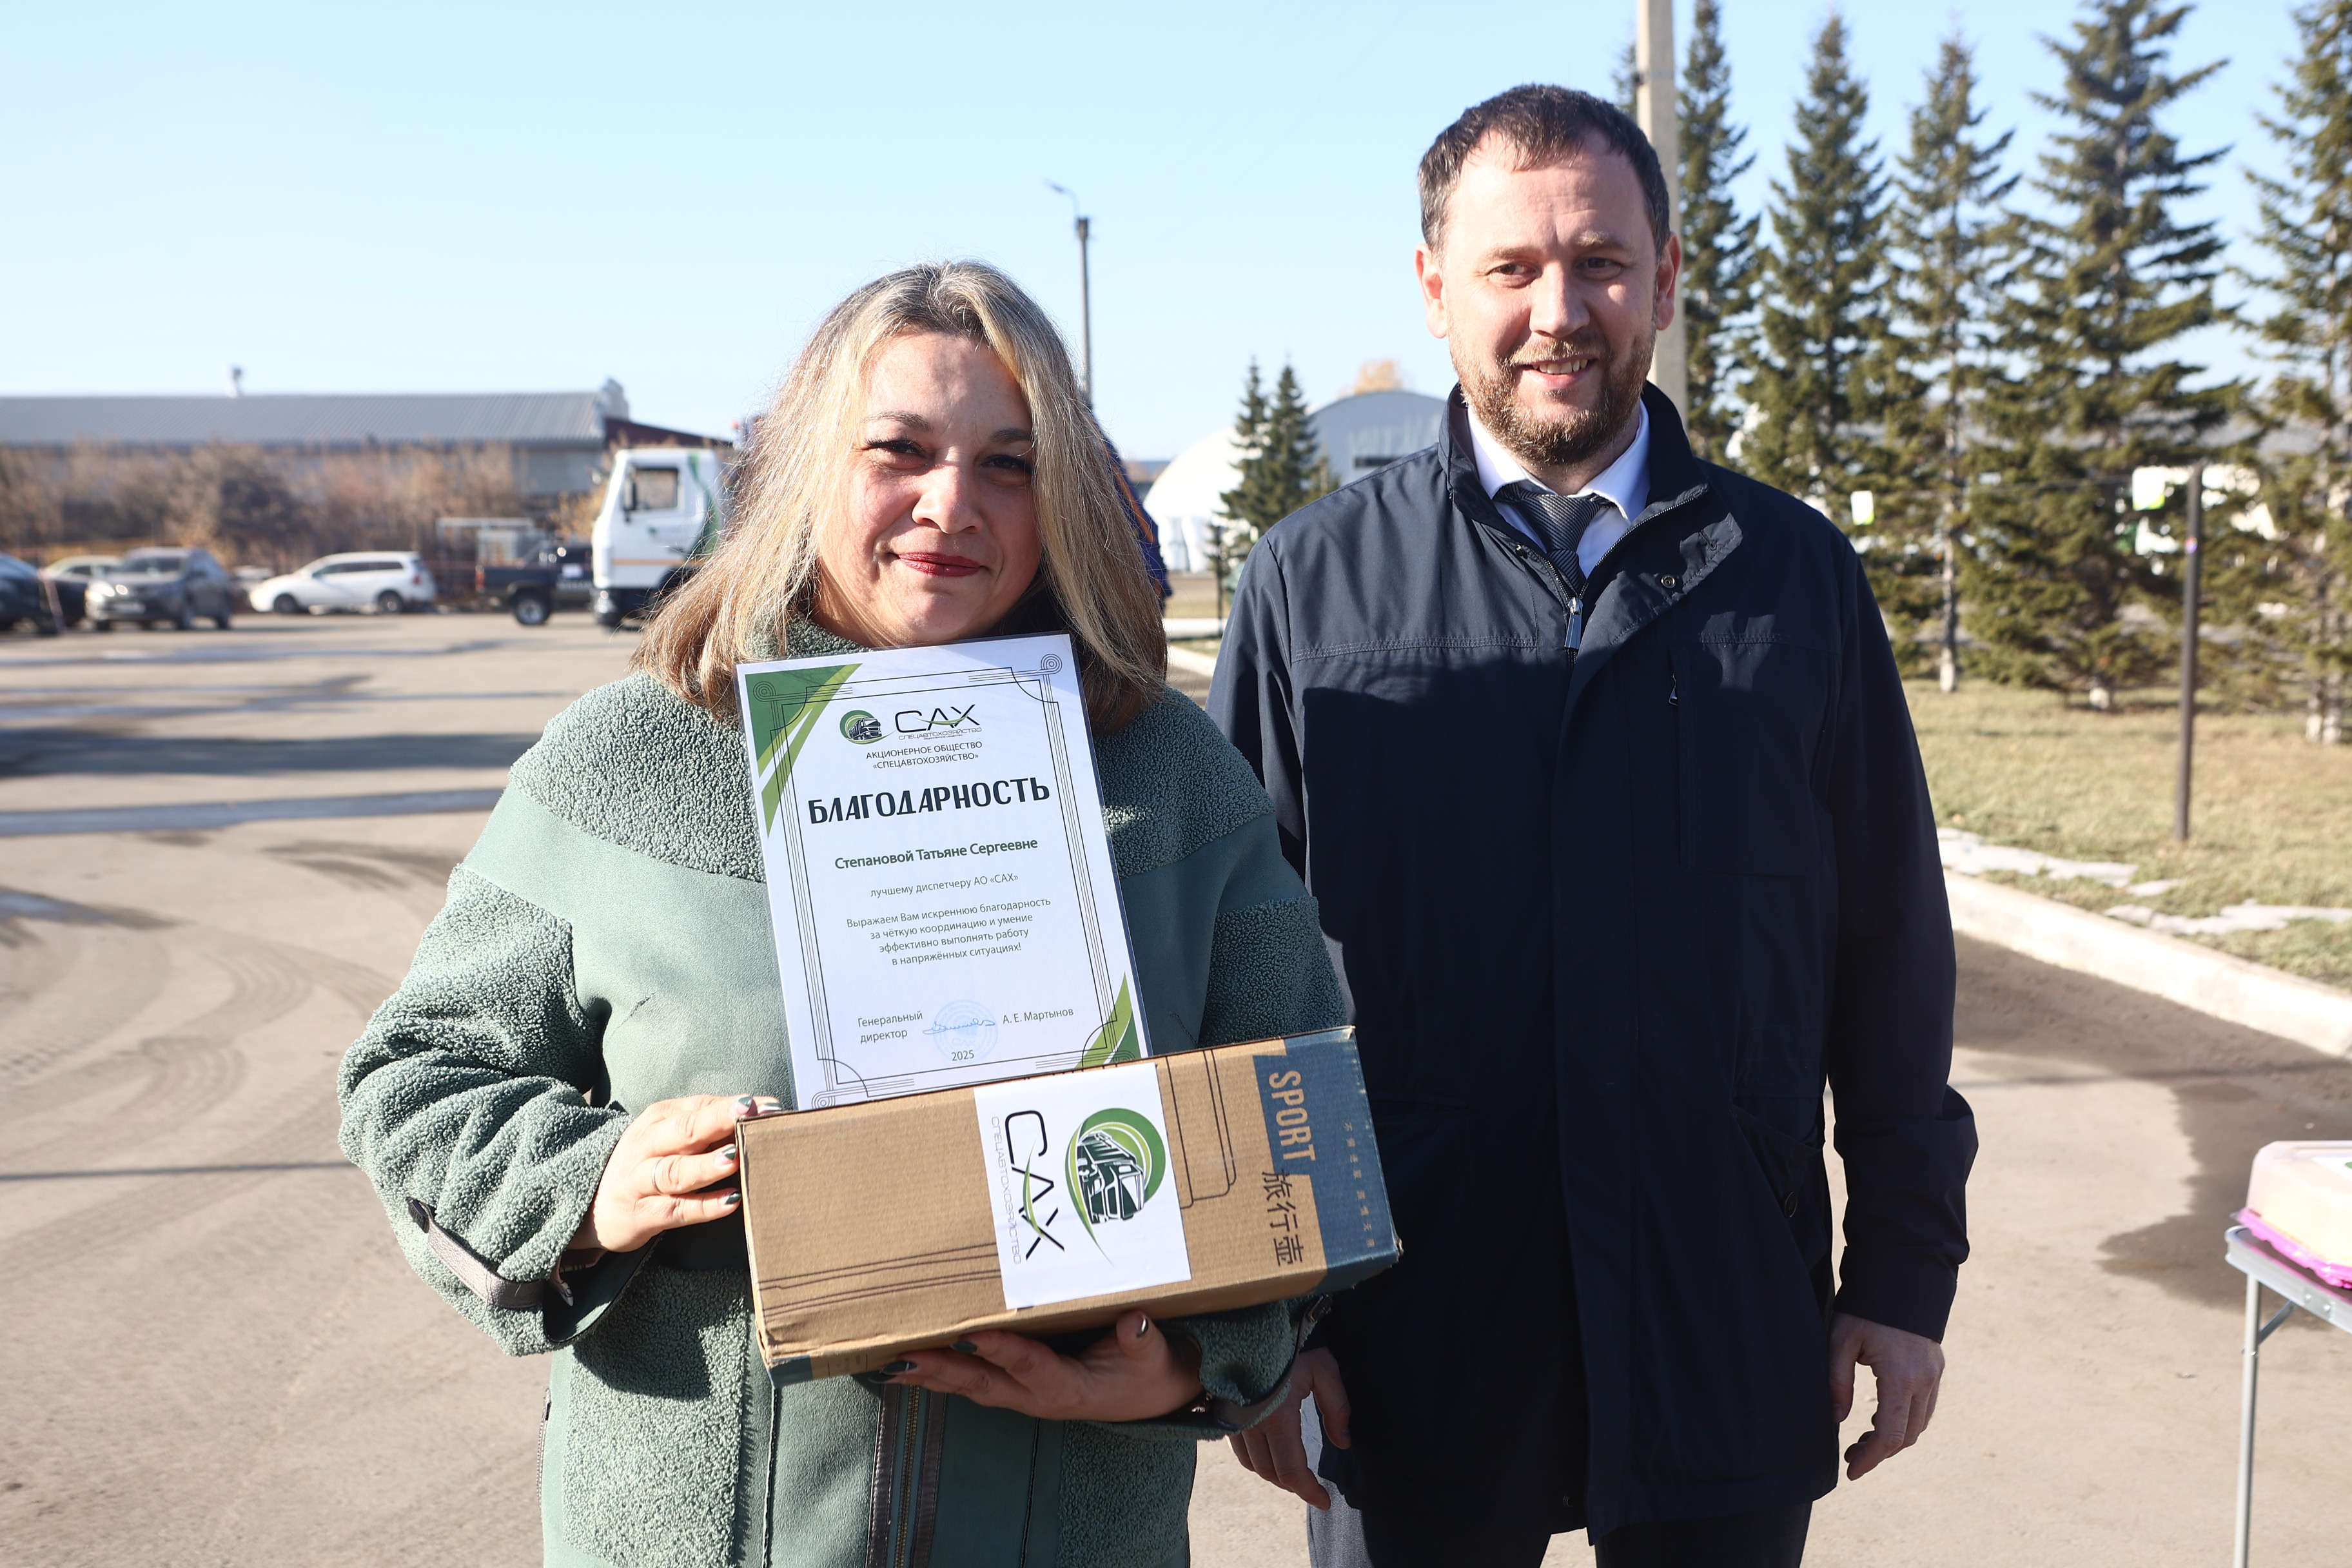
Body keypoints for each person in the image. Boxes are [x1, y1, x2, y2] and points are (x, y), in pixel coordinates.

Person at [339, 260, 1344, 1568]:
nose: (952, 504)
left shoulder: (1173, 779)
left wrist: (1187, 1366)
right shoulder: (631, 758)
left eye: (1008, 464)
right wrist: (593, 1185)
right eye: (900, 450)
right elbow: (414, 1081)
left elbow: (1296, 1128)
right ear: (812, 461)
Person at [1208, 86, 1976, 1567]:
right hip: (1405, 1333)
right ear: (1435, 288)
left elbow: (1890, 948)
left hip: (1721, 1311)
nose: (1560, 310)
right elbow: (1238, 981)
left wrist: (1900, 1269)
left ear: (1666, 281)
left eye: (1603, 264)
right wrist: (1267, 1316)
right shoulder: (1312, 585)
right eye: (1511, 267)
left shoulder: (1795, 579)